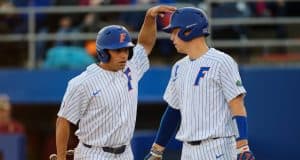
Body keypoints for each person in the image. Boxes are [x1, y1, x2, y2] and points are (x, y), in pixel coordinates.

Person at [55, 5, 176, 160]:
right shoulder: (82, 82)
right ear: (103, 52)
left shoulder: (130, 68)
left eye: (126, 50)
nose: (124, 55)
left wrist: (149, 17)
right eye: (117, 50)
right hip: (93, 153)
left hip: (125, 153)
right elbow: (63, 121)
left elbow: (145, 45)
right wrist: (60, 157)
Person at [144, 7, 255, 160]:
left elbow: (236, 103)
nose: (171, 38)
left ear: (188, 31)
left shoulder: (222, 61)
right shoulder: (178, 67)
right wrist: (157, 149)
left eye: (175, 32)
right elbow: (173, 111)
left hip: (218, 147)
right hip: (188, 150)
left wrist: (242, 145)